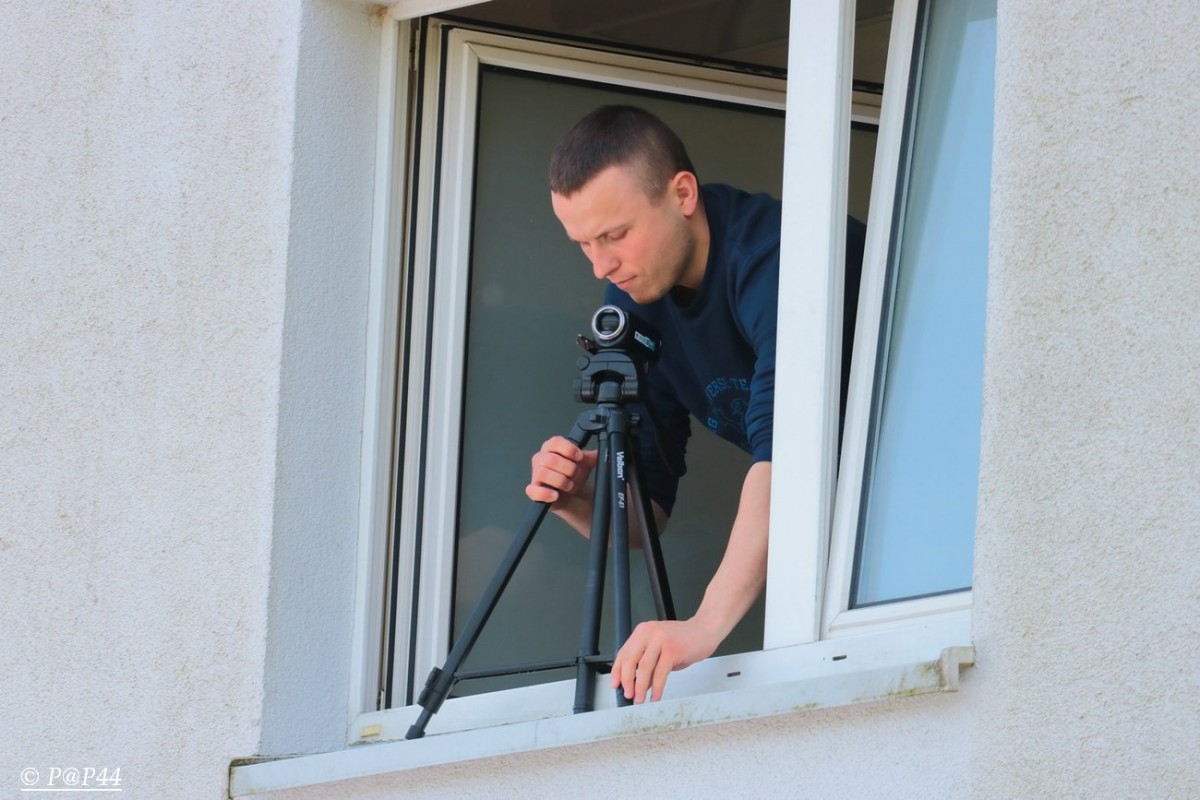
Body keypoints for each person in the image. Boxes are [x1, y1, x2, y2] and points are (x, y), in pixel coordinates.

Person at [525, 105, 864, 705]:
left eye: (616, 235)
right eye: (583, 244)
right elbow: (647, 513)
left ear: (682, 194)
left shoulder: (782, 257)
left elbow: (789, 457)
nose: (602, 265)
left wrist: (705, 626)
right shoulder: (633, 299)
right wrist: (577, 497)